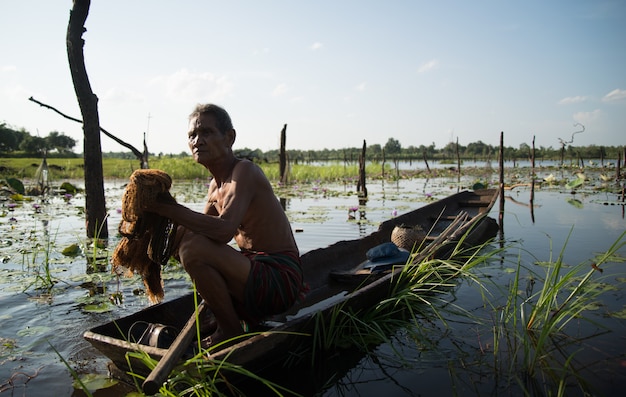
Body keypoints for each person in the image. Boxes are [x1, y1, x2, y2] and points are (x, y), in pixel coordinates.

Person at [148, 104, 305, 348]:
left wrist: (168, 209)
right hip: (251, 276)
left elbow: (222, 231)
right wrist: (152, 232)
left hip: (278, 281)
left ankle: (230, 330)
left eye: (207, 133)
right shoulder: (214, 186)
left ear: (229, 137)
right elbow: (193, 232)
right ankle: (225, 317)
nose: (198, 141)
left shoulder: (245, 171)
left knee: (193, 249)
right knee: (186, 242)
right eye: (192, 135)